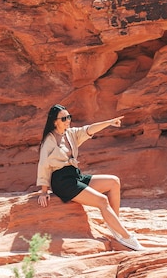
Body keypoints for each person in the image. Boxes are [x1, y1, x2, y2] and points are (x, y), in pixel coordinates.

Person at [36, 104, 144, 251]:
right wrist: (44, 191)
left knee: (114, 182)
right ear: (55, 121)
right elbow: (44, 165)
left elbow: (88, 129)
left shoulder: (70, 133)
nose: (68, 120)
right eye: (64, 118)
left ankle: (115, 225)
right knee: (102, 200)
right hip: (62, 182)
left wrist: (109, 122)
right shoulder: (49, 141)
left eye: (69, 117)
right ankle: (126, 237)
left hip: (75, 175)